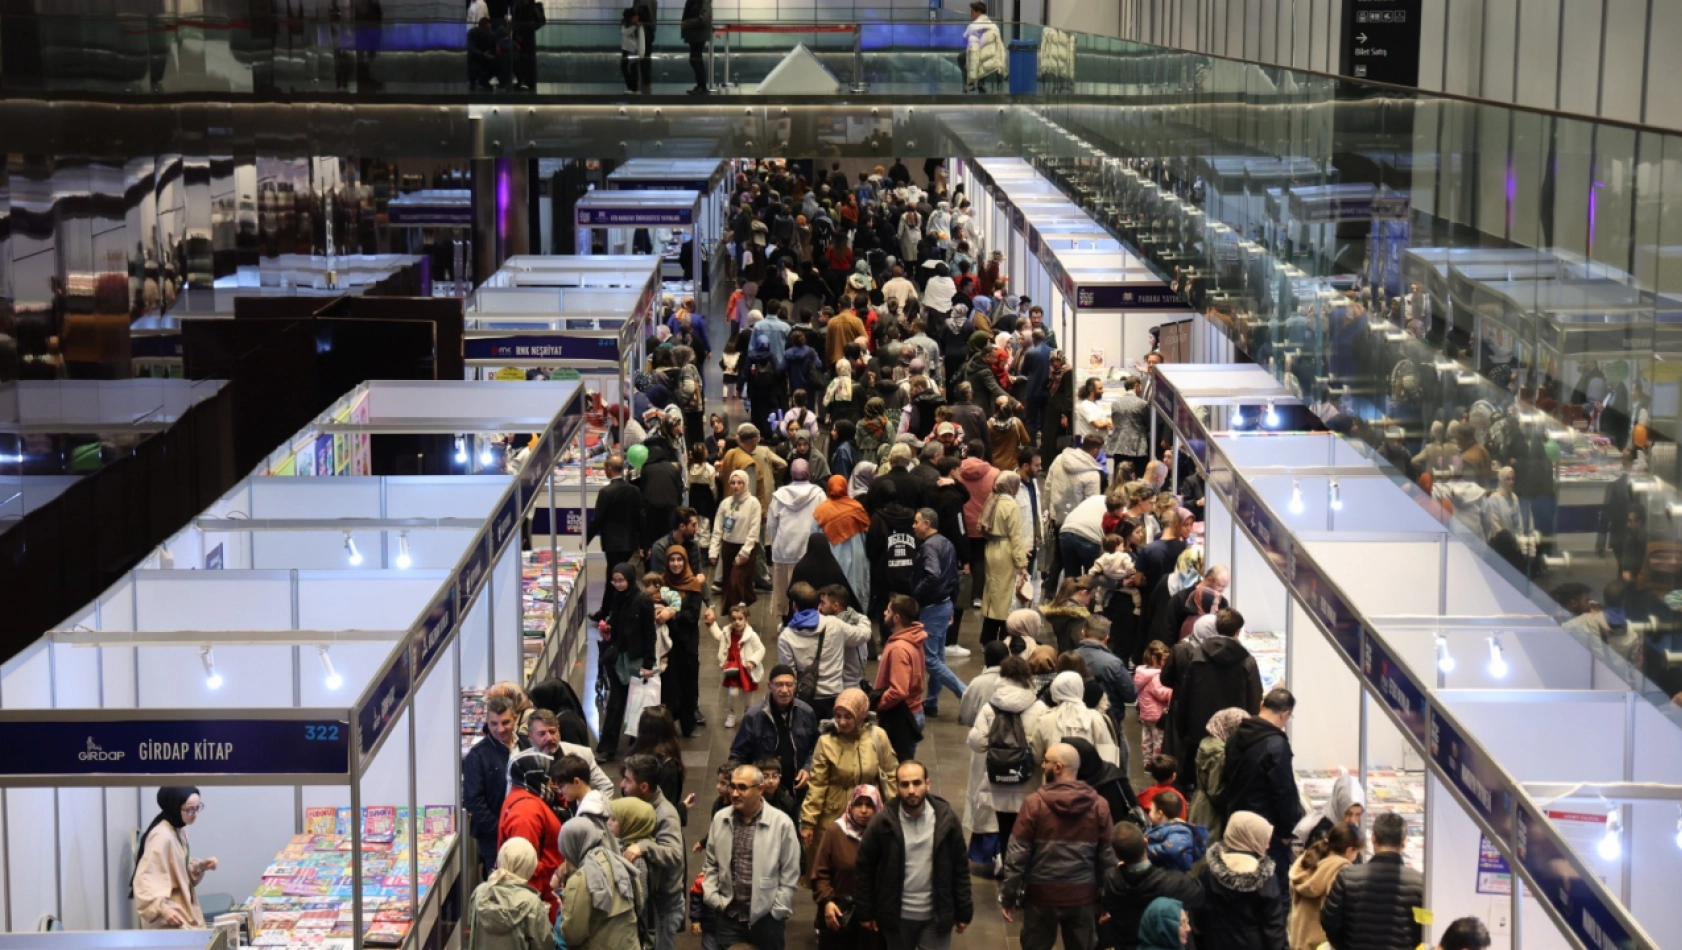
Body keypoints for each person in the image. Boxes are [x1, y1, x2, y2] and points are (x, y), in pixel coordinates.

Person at [999, 743, 1115, 950]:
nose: (1043, 766)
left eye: (1046, 761)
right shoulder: (1099, 805)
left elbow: (1017, 857)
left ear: (1059, 767)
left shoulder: (1034, 804)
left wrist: (1009, 896)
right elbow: (1107, 858)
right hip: (1083, 897)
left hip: (1041, 897)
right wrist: (1108, 899)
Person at [854, 760, 974, 950]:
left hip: (935, 916)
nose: (911, 790)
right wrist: (865, 910)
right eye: (905, 784)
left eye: (917, 783)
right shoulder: (882, 823)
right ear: (897, 787)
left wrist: (964, 909)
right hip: (897, 917)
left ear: (927, 784)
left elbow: (960, 866)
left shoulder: (946, 820)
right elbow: (864, 868)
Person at [701, 763, 803, 950]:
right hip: (729, 917)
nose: (734, 793)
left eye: (742, 787)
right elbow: (711, 864)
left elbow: (790, 873)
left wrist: (777, 911)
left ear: (760, 790)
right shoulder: (720, 819)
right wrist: (714, 898)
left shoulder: (781, 824)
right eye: (733, 786)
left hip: (766, 921)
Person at [1220, 688, 1304, 906]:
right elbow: (1283, 791)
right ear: (1285, 714)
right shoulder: (1277, 746)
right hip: (1267, 830)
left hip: (1237, 822)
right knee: (1273, 891)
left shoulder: (1237, 734)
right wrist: (1286, 831)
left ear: (1261, 705)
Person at [965, 654, 1047, 869]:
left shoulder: (991, 707)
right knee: (1026, 826)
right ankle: (1021, 867)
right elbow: (1042, 747)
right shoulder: (1039, 708)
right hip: (1027, 778)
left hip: (997, 778)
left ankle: (1002, 858)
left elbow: (975, 742)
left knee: (1003, 824)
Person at [1160, 608, 1262, 771]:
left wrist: (1183, 726)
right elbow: (1254, 699)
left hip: (1199, 727)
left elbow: (1185, 694)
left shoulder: (1197, 655)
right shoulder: (1247, 661)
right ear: (1237, 632)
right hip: (1233, 730)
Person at [801, 687, 899, 848]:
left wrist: (893, 812)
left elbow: (891, 775)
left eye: (848, 716)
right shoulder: (826, 741)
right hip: (833, 815)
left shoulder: (878, 737)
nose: (842, 722)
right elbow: (817, 785)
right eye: (838, 716)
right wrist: (808, 822)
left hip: (868, 813)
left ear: (861, 715)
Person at [1319, 812, 1423, 950]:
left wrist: (1344, 945)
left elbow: (1329, 921)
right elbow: (1424, 929)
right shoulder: (1419, 883)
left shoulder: (1348, 876)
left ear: (1373, 839)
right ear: (1404, 842)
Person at [1188, 811, 1288, 950]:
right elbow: (1274, 928)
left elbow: (1197, 920)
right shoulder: (1265, 877)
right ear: (1251, 838)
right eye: (1264, 839)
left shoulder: (1207, 872)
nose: (1267, 846)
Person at [778, 580, 872, 721]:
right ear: (816, 604)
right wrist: (859, 617)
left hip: (806, 698)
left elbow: (789, 675)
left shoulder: (786, 636)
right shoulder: (834, 625)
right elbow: (862, 635)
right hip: (834, 696)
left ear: (794, 605)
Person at [1101, 823, 1204, 950]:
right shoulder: (1172, 882)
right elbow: (1199, 893)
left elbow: (1106, 903)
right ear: (1146, 842)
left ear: (1116, 855)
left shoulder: (1110, 880)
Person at [811, 785, 886, 950]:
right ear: (850, 806)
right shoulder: (835, 832)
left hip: (873, 918)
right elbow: (820, 874)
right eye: (858, 804)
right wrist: (827, 902)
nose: (864, 810)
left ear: (878, 807)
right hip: (840, 915)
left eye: (869, 805)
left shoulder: (884, 835)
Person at [131, 787, 216, 929]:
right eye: (190, 809)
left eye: (198, 808)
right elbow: (144, 880)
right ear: (175, 807)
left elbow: (177, 871)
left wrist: (201, 866)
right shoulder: (161, 836)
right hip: (169, 914)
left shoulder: (178, 828)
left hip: (180, 905)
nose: (195, 814)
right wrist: (162, 909)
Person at [729, 665, 819, 798]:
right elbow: (737, 754)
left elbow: (817, 748)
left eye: (789, 685)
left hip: (797, 788)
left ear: (795, 685)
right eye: (779, 685)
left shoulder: (806, 712)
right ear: (769, 686)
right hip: (763, 792)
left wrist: (807, 768)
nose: (784, 690)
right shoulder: (753, 716)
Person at [598, 563, 657, 759]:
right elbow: (616, 622)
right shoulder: (617, 597)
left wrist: (648, 663)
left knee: (636, 703)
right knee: (616, 702)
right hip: (619, 657)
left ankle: (636, 746)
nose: (618, 584)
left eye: (621, 580)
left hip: (635, 658)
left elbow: (650, 633)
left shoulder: (643, 602)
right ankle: (608, 747)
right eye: (615, 580)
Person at [911, 507, 966, 716]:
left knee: (929, 659)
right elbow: (954, 577)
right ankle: (932, 702)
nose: (913, 526)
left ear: (927, 523)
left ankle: (965, 692)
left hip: (932, 607)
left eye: (916, 522)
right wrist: (950, 603)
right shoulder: (946, 543)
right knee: (938, 658)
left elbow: (932, 575)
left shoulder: (928, 547)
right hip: (944, 605)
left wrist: (917, 593)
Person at [498, 750, 564, 922]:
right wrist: (533, 913)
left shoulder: (525, 799)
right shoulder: (526, 813)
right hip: (540, 903)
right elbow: (524, 870)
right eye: (549, 778)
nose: (553, 784)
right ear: (536, 777)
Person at [560, 819, 647, 950]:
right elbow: (639, 905)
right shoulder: (620, 863)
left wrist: (564, 909)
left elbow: (573, 935)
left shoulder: (579, 880)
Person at [466, 694, 521, 875]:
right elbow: (474, 800)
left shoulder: (526, 744)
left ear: (515, 718)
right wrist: (499, 829)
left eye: (505, 723)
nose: (500, 729)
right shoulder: (478, 755)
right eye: (494, 724)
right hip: (494, 839)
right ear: (487, 722)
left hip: (525, 829)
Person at [659, 546, 711, 737]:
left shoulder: (693, 585)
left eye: (679, 560)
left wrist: (672, 613)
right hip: (667, 643)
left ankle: (688, 724)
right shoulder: (662, 583)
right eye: (672, 560)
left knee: (688, 682)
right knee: (669, 683)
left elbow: (692, 616)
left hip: (687, 642)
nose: (676, 564)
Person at [469, 838, 554, 950]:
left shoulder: (480, 893)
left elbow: (473, 931)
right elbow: (545, 945)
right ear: (529, 866)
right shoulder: (532, 903)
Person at [769, 460, 827, 619]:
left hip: (784, 549)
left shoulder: (779, 495)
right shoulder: (819, 494)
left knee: (785, 592)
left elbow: (772, 525)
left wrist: (775, 545)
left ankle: (787, 620)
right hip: (808, 551)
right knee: (807, 592)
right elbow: (823, 521)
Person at [1288, 823, 1361, 950]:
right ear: (1349, 850)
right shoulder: (1341, 870)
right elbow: (1338, 914)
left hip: (1298, 939)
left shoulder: (1307, 862)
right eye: (1357, 852)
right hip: (1323, 944)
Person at [977, 470, 1029, 644]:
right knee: (1004, 596)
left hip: (990, 547)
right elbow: (1016, 536)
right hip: (1005, 551)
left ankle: (986, 635)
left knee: (992, 591)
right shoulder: (1011, 504)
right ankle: (1001, 637)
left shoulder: (992, 500)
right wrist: (1022, 563)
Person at [1031, 670, 1121, 768]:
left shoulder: (1044, 720)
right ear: (1080, 689)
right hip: (1091, 781)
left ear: (1054, 690)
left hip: (1055, 779)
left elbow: (1036, 757)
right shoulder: (1095, 718)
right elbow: (1108, 755)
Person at [590, 455, 643, 618]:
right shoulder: (634, 491)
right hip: (629, 542)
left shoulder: (605, 492)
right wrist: (644, 544)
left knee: (613, 577)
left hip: (612, 543)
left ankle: (607, 611)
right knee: (624, 575)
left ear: (609, 469)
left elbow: (597, 519)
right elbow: (640, 518)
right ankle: (620, 609)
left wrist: (585, 540)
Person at [1187, 708, 1247, 839]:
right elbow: (1215, 790)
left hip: (1200, 803)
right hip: (1211, 812)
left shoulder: (1207, 742)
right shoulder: (1220, 753)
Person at [709, 469, 763, 609]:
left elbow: (754, 529)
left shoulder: (753, 503)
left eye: (739, 482)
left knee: (737, 581)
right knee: (729, 582)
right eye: (733, 483)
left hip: (746, 547)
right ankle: (735, 613)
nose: (736, 486)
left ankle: (740, 611)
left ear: (746, 483)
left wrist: (745, 551)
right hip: (728, 546)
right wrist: (713, 551)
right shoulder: (726, 503)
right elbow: (718, 528)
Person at [1075, 615, 1136, 737]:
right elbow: (1130, 695)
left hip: (1074, 722)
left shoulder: (1068, 658)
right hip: (1107, 724)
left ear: (1083, 633)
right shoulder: (1114, 663)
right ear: (1106, 638)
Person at [710, 603, 765, 728]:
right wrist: (712, 624)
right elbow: (719, 635)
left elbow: (761, 649)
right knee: (733, 693)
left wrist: (753, 661)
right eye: (734, 619)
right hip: (733, 669)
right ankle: (732, 713)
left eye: (740, 619)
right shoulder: (728, 633)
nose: (737, 622)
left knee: (748, 694)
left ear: (746, 619)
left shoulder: (751, 636)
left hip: (746, 670)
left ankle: (748, 713)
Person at [1292, 773, 1364, 852]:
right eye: (1347, 813)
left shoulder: (1348, 831)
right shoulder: (1323, 834)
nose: (1352, 820)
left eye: (1357, 814)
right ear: (1338, 807)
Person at [1144, 791, 1207, 874]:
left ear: (1159, 814)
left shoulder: (1180, 832)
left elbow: (1172, 849)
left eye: (1151, 810)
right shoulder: (1159, 827)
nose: (1149, 813)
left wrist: (1144, 849)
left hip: (1169, 878)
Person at [1134, 641, 1174, 765]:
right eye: (1164, 660)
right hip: (1157, 715)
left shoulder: (1141, 673)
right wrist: (1173, 691)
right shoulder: (1156, 676)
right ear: (1154, 658)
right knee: (1158, 741)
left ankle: (1147, 762)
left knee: (1146, 738)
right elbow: (1160, 693)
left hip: (1145, 714)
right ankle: (1158, 764)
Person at [1040, 576, 1094, 653]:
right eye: (1090, 597)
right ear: (1084, 593)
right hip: (1076, 658)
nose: (1089, 601)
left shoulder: (1059, 609)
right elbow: (1078, 641)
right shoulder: (1078, 616)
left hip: (1063, 655)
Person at [1110, 377, 1151, 479]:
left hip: (1119, 445)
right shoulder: (1142, 404)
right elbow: (1148, 423)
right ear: (1136, 386)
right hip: (1138, 446)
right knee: (1137, 476)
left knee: (1120, 475)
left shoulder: (1115, 403)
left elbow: (1114, 421)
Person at [960, 0, 1006, 92]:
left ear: (978, 12)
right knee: (983, 57)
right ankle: (981, 83)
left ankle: (969, 83)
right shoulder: (993, 25)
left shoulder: (972, 26)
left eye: (972, 12)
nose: (971, 14)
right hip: (992, 54)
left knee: (961, 58)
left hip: (978, 53)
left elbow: (964, 40)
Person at [678, 0, 711, 93]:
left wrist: (688, 23)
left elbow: (704, 18)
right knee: (695, 59)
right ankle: (700, 85)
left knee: (695, 59)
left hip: (699, 34)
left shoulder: (704, 1)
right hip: (695, 34)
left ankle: (702, 86)